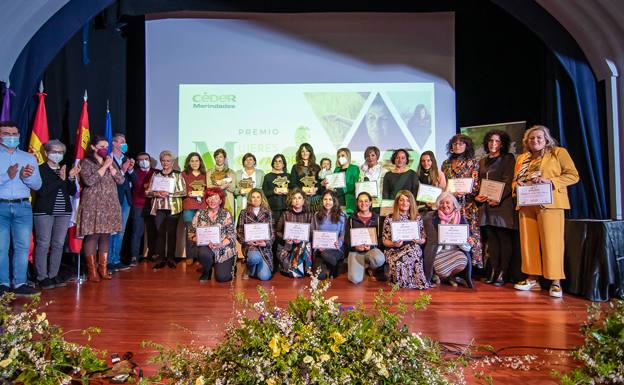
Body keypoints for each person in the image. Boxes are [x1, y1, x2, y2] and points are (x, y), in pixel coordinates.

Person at [513, 125, 579, 298]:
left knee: (552, 243)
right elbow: (514, 181)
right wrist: (517, 186)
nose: (535, 141)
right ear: (526, 141)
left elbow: (573, 175)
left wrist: (550, 182)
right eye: (531, 138)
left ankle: (555, 282)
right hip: (527, 203)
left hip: (551, 203)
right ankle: (532, 278)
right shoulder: (522, 158)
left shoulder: (558, 153)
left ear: (546, 139)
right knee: (528, 243)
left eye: (539, 138)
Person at [0, 121, 41, 296]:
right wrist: (7, 175)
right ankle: (2, 283)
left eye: (14, 134)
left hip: (23, 206)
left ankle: (20, 283)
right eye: (7, 134)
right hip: (1, 205)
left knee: (22, 246)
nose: (11, 137)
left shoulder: (28, 157)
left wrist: (27, 178)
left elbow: (38, 185)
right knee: (1, 247)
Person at [75, 135, 124, 283]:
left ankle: (103, 269)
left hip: (110, 204)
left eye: (106, 146)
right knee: (93, 235)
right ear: (93, 147)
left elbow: (121, 180)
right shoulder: (87, 162)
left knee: (106, 235)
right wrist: (104, 166)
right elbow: (89, 181)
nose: (104, 149)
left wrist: (111, 167)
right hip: (93, 204)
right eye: (101, 146)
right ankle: (92, 271)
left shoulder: (110, 162)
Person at [33, 139, 78, 289]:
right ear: (46, 153)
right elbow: (43, 191)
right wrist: (60, 179)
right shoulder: (41, 169)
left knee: (58, 244)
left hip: (63, 212)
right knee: (43, 243)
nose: (57, 155)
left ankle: (53, 274)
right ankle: (42, 276)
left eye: (60, 152)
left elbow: (72, 192)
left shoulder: (64, 169)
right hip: (44, 211)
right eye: (54, 152)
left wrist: (71, 178)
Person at [475, 130, 516, 286]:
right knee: (491, 241)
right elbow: (480, 183)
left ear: (503, 143)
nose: (493, 144)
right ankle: (492, 271)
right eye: (491, 141)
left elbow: (508, 181)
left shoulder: (508, 159)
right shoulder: (482, 161)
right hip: (486, 206)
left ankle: (503, 273)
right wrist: (477, 196)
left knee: (503, 239)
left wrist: (497, 198)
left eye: (497, 141)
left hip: (502, 205)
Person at [441, 134, 482, 267]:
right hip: (450, 206)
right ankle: (454, 265)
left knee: (469, 234)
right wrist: (449, 192)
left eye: (461, 144)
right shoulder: (446, 164)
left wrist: (467, 190)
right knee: (451, 234)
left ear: (467, 146)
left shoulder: (473, 162)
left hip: (467, 205)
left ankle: (471, 266)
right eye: (455, 144)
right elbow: (443, 184)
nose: (457, 146)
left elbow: (476, 184)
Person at [423, 192, 473, 288]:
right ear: (438, 205)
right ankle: (442, 276)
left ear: (453, 205)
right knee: (441, 268)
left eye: (447, 203)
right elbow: (429, 238)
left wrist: (468, 241)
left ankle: (450, 276)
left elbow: (467, 242)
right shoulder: (431, 217)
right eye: (441, 203)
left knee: (463, 260)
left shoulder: (460, 218)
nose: (444, 205)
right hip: (438, 251)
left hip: (455, 250)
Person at [146, 150, 186, 270]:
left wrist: (169, 193)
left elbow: (184, 191)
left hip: (174, 208)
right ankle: (160, 259)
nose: (165, 163)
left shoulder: (178, 175)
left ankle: (171, 258)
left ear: (172, 162)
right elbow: (148, 192)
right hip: (159, 208)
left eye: (168, 161)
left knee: (172, 234)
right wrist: (156, 193)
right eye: (163, 161)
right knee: (160, 234)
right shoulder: (156, 175)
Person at [381, 190, 429, 289]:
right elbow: (385, 240)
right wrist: (394, 244)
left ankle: (415, 282)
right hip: (394, 248)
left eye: (408, 200)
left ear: (411, 203)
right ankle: (400, 283)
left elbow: (423, 238)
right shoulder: (389, 218)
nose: (405, 203)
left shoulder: (417, 218)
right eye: (401, 200)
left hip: (412, 246)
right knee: (399, 260)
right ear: (397, 202)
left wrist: (420, 241)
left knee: (415, 252)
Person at [190, 187, 237, 282]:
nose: (212, 201)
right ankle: (206, 271)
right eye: (209, 198)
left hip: (224, 248)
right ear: (206, 199)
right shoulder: (200, 214)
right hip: (206, 247)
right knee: (203, 253)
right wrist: (203, 241)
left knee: (222, 278)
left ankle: (228, 265)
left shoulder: (226, 214)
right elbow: (191, 233)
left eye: (215, 198)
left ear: (220, 201)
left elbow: (232, 234)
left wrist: (221, 244)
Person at [108, 133, 135, 272]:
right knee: (111, 229)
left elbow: (134, 179)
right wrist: (123, 169)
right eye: (122, 141)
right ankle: (108, 261)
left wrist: (130, 168)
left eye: (125, 141)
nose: (124, 144)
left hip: (126, 198)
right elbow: (111, 180)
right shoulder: (108, 159)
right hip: (113, 198)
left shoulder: (126, 158)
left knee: (121, 230)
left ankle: (115, 258)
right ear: (114, 143)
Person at [346, 192, 385, 284]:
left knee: (379, 259)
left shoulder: (378, 219)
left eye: (366, 201)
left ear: (371, 203)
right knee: (355, 279)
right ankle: (364, 266)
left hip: (371, 251)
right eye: (360, 201)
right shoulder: (351, 219)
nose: (363, 204)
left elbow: (381, 238)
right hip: (356, 251)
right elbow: (347, 238)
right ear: (357, 203)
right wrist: (355, 247)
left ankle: (370, 266)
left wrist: (371, 246)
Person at [236, 188, 274, 281]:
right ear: (250, 199)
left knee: (264, 277)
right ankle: (250, 267)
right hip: (250, 246)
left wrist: (266, 243)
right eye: (253, 197)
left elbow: (272, 233)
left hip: (264, 247)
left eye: (258, 197)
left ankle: (255, 268)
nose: (256, 199)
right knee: (254, 258)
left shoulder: (268, 212)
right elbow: (239, 232)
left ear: (262, 199)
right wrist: (247, 241)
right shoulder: (244, 213)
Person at [276, 188, 313, 278]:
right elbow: (277, 232)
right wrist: (286, 238)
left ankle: (303, 268)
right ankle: (293, 268)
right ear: (291, 200)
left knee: (306, 244)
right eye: (294, 198)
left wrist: (301, 239)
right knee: (290, 270)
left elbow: (311, 233)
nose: (297, 201)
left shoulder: (309, 215)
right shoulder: (285, 214)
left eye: (299, 198)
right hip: (288, 246)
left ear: (304, 200)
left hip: (302, 246)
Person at [311, 190, 347, 279]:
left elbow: (343, 233)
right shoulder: (316, 215)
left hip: (335, 248)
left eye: (330, 199)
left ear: (334, 201)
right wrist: (317, 245)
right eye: (325, 199)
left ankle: (333, 266)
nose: (327, 202)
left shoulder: (341, 216)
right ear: (322, 201)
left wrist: (339, 242)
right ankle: (332, 267)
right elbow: (312, 232)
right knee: (320, 276)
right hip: (321, 249)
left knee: (326, 255)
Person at [181, 152, 207, 266]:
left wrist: (203, 193)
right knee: (190, 231)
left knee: (201, 232)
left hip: (202, 206)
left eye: (197, 160)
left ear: (200, 162)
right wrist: (188, 193)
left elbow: (209, 190)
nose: (195, 163)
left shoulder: (205, 174)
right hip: (188, 206)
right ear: (188, 162)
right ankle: (190, 256)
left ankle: (200, 256)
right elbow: (180, 190)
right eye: (192, 161)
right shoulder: (183, 174)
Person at [129, 152, 155, 265]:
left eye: (146, 159)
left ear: (149, 160)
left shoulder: (156, 172)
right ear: (137, 162)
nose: (143, 161)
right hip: (138, 205)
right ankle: (134, 256)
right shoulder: (133, 172)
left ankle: (152, 254)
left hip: (152, 205)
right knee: (137, 231)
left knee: (152, 230)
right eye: (140, 160)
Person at [289, 143, 321, 211]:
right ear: (300, 153)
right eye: (302, 151)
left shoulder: (317, 167)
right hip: (301, 200)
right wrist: (303, 189)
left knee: (314, 219)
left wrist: (315, 189)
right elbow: (293, 184)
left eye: (307, 151)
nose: (305, 153)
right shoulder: (295, 167)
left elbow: (319, 183)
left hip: (315, 200)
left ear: (310, 152)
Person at [206, 148, 236, 215]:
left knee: (228, 220)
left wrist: (227, 186)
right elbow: (209, 187)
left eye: (220, 157)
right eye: (216, 157)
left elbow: (233, 189)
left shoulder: (231, 172)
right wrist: (222, 186)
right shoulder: (209, 172)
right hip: (214, 200)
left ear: (224, 158)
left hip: (228, 198)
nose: (218, 159)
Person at [329, 148, 359, 214]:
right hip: (337, 200)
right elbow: (334, 182)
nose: (340, 158)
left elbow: (354, 184)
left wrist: (340, 190)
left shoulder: (354, 168)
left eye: (343, 156)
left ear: (348, 156)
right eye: (339, 156)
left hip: (349, 200)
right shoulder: (336, 169)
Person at [262, 154, 291, 225]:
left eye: (280, 161)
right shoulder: (267, 176)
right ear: (272, 164)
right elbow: (263, 193)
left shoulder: (289, 176)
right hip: (272, 209)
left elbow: (294, 191)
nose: (277, 163)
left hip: (286, 208)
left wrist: (288, 191)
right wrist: (273, 192)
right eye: (275, 161)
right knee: (273, 230)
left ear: (283, 164)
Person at [234, 152, 265, 218]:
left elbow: (263, 189)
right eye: (246, 160)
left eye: (250, 159)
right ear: (243, 162)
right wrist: (240, 191)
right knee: (242, 222)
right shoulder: (237, 173)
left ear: (254, 161)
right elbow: (234, 190)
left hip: (256, 203)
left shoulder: (260, 173)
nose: (248, 161)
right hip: (242, 202)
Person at [359, 146, 386, 212]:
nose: (370, 158)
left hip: (378, 204)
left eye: (373, 155)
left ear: (377, 157)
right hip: (364, 204)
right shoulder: (361, 170)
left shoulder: (383, 171)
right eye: (367, 156)